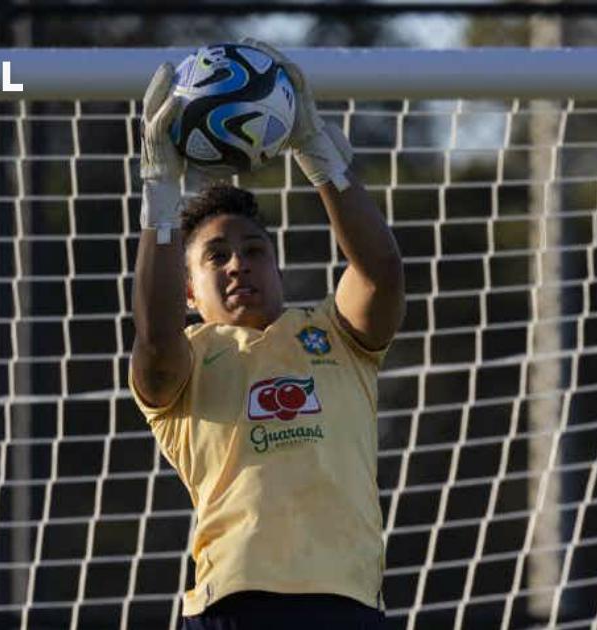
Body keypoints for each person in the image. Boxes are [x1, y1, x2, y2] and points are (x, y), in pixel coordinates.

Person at [128, 39, 405, 629]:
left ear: (276, 265)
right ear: (187, 293)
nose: (238, 264)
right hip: (233, 605)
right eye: (217, 256)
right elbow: (153, 342)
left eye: (254, 250)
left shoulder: (335, 334)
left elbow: (381, 273)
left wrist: (317, 154)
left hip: (348, 605)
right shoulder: (188, 360)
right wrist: (160, 192)